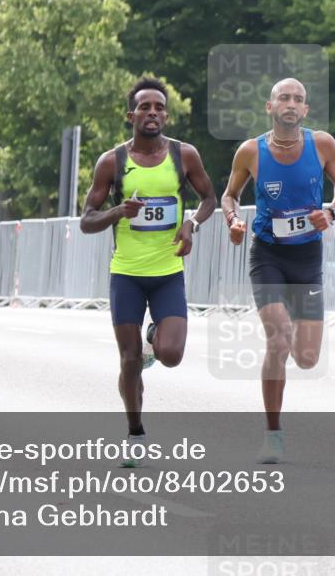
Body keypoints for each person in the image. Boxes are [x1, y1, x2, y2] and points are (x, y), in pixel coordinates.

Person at [80, 77, 216, 467]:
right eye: (144, 107)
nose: (152, 112)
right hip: (126, 275)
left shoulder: (184, 155)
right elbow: (86, 221)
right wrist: (117, 211)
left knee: (171, 355)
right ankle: (135, 433)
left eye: (158, 107)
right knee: (129, 360)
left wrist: (192, 225)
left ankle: (156, 335)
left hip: (167, 271)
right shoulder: (112, 162)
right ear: (131, 115)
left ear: (166, 115)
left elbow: (209, 197)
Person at [221, 77, 335, 464]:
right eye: (284, 98)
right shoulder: (251, 152)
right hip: (268, 255)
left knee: (307, 358)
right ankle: (273, 433)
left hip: (307, 257)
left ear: (305, 110)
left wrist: (330, 212)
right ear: (270, 106)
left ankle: (297, 340)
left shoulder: (323, 144)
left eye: (298, 99)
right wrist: (232, 219)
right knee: (278, 341)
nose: (291, 103)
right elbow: (231, 194)